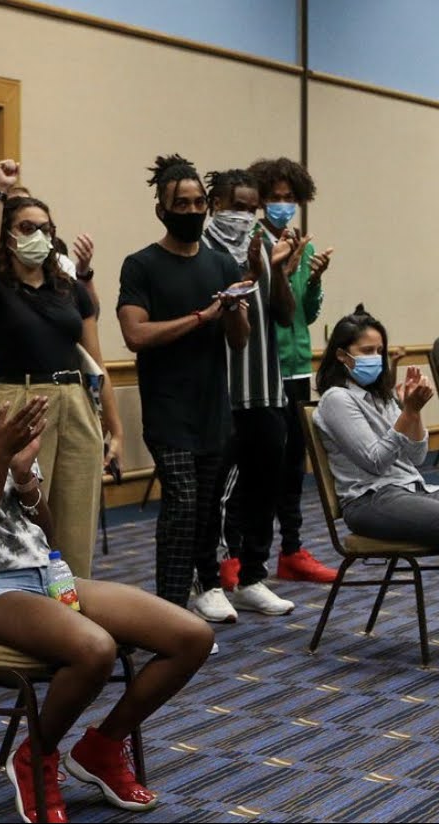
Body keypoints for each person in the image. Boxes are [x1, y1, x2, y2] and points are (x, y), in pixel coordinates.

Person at [0, 291, 213, 823]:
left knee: (191, 637)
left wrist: (25, 477)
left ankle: (99, 747)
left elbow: (46, 532)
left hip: (48, 576)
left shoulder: (1, 429)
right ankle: (36, 756)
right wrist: (4, 460)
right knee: (95, 649)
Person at [0, 160, 122, 581]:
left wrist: (115, 426)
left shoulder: (66, 287)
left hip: (74, 402)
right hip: (19, 401)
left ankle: (74, 603)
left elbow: (95, 360)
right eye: (29, 228)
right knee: (22, 517)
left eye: (47, 229)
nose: (40, 237)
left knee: (75, 516)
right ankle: (26, 608)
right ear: (9, 235)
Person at [314, 305, 439, 680]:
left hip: (411, 490)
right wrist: (407, 411)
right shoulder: (336, 400)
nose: (377, 358)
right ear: (342, 356)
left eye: (380, 350)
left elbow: (416, 456)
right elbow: (374, 463)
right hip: (369, 501)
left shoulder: (381, 396)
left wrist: (413, 412)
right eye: (367, 351)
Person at [117, 155, 251, 613]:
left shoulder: (220, 265)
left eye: (199, 204)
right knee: (181, 508)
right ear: (162, 210)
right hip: (168, 409)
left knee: (205, 510)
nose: (192, 212)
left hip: (213, 408)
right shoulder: (141, 265)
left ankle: (200, 593)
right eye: (182, 204)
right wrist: (200, 318)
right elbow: (135, 335)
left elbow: (240, 340)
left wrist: (234, 312)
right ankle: (169, 611)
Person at [197, 166, 308, 620]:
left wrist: (276, 269)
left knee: (266, 485)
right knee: (218, 495)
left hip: (267, 390)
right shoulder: (200, 251)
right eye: (236, 206)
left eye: (251, 207)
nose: (245, 215)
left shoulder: (262, 247)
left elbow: (283, 314)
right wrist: (247, 269)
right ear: (215, 205)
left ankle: (252, 577)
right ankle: (210, 579)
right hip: (222, 392)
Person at [247, 157, 337, 584]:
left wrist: (315, 279)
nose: (283, 205)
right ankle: (237, 555)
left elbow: (304, 311)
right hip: (264, 369)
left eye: (290, 198)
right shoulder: (253, 242)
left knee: (292, 465)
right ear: (261, 200)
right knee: (256, 467)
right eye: (275, 198)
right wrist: (279, 266)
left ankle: (292, 550)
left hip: (299, 367)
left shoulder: (305, 246)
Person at [0, 183, 101, 315]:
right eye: (26, 227)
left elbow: (89, 315)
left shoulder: (62, 270)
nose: (36, 235)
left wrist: (83, 274)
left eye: (44, 229)